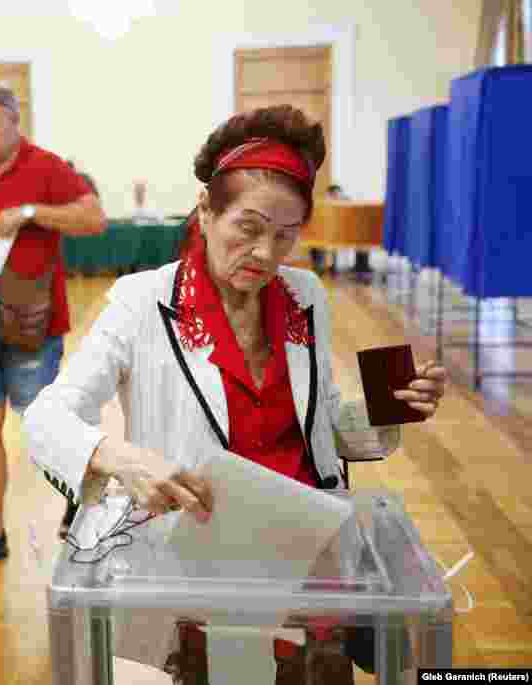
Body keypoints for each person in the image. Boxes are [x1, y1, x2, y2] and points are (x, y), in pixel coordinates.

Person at [23, 105, 447, 683]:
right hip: (205, 573)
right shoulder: (141, 302)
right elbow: (45, 418)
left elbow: (322, 429)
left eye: (286, 235)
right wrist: (121, 457)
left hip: (310, 565)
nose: (267, 255)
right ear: (205, 209)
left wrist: (391, 404)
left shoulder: (306, 297)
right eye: (248, 228)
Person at [0, 85, 106, 570]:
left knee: (47, 427)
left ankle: (80, 504)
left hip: (34, 324)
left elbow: (94, 218)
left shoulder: (47, 167)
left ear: (14, 121)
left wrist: (32, 213)